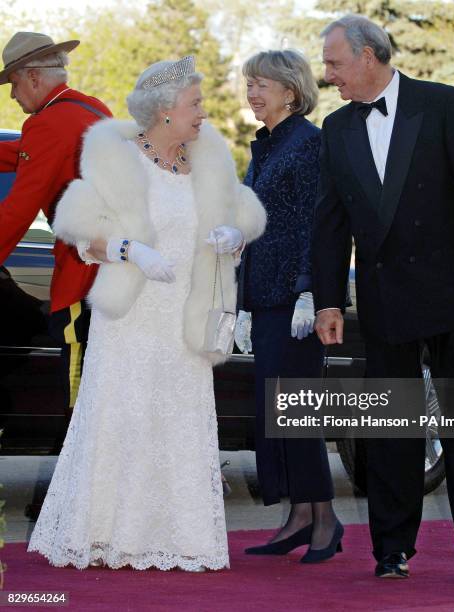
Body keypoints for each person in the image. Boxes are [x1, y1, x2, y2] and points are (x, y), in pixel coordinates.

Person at [28, 56, 266, 571]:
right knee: (123, 418)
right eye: (195, 104)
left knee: (180, 423)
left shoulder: (208, 158)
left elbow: (240, 210)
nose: (204, 112)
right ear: (163, 112)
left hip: (186, 315)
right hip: (132, 317)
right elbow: (75, 225)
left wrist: (234, 233)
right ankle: (105, 536)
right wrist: (129, 250)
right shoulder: (118, 159)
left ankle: (182, 537)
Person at [312, 14, 454, 581]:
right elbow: (330, 224)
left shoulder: (445, 103)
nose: (328, 76)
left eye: (335, 63)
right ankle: (392, 550)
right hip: (384, 300)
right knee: (390, 431)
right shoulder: (336, 128)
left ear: (369, 56)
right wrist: (329, 301)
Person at [235, 50, 342, 563]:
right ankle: (300, 515)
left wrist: (310, 291)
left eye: (261, 84)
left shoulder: (309, 144)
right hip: (265, 295)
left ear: (291, 91)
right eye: (249, 84)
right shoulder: (266, 146)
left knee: (296, 411)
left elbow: (316, 225)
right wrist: (241, 302)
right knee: (277, 414)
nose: (253, 92)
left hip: (296, 300)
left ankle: (324, 519)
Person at [0, 32, 111, 415]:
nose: (13, 96)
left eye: (13, 84)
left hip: (82, 278)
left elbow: (16, 210)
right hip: (111, 277)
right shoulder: (90, 110)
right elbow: (25, 155)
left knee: (80, 403)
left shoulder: (47, 125)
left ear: (32, 77)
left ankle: (82, 475)